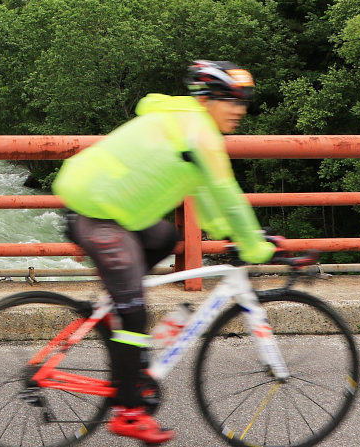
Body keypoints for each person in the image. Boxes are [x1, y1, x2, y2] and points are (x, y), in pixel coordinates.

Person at [53, 60, 277, 445]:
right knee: (136, 310)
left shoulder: (192, 126)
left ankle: (115, 307)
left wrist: (231, 235)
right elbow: (229, 194)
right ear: (207, 100)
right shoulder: (198, 133)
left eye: (245, 102)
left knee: (163, 239)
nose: (241, 110)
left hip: (117, 212)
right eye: (232, 101)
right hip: (96, 213)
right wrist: (256, 247)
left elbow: (206, 194)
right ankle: (129, 412)